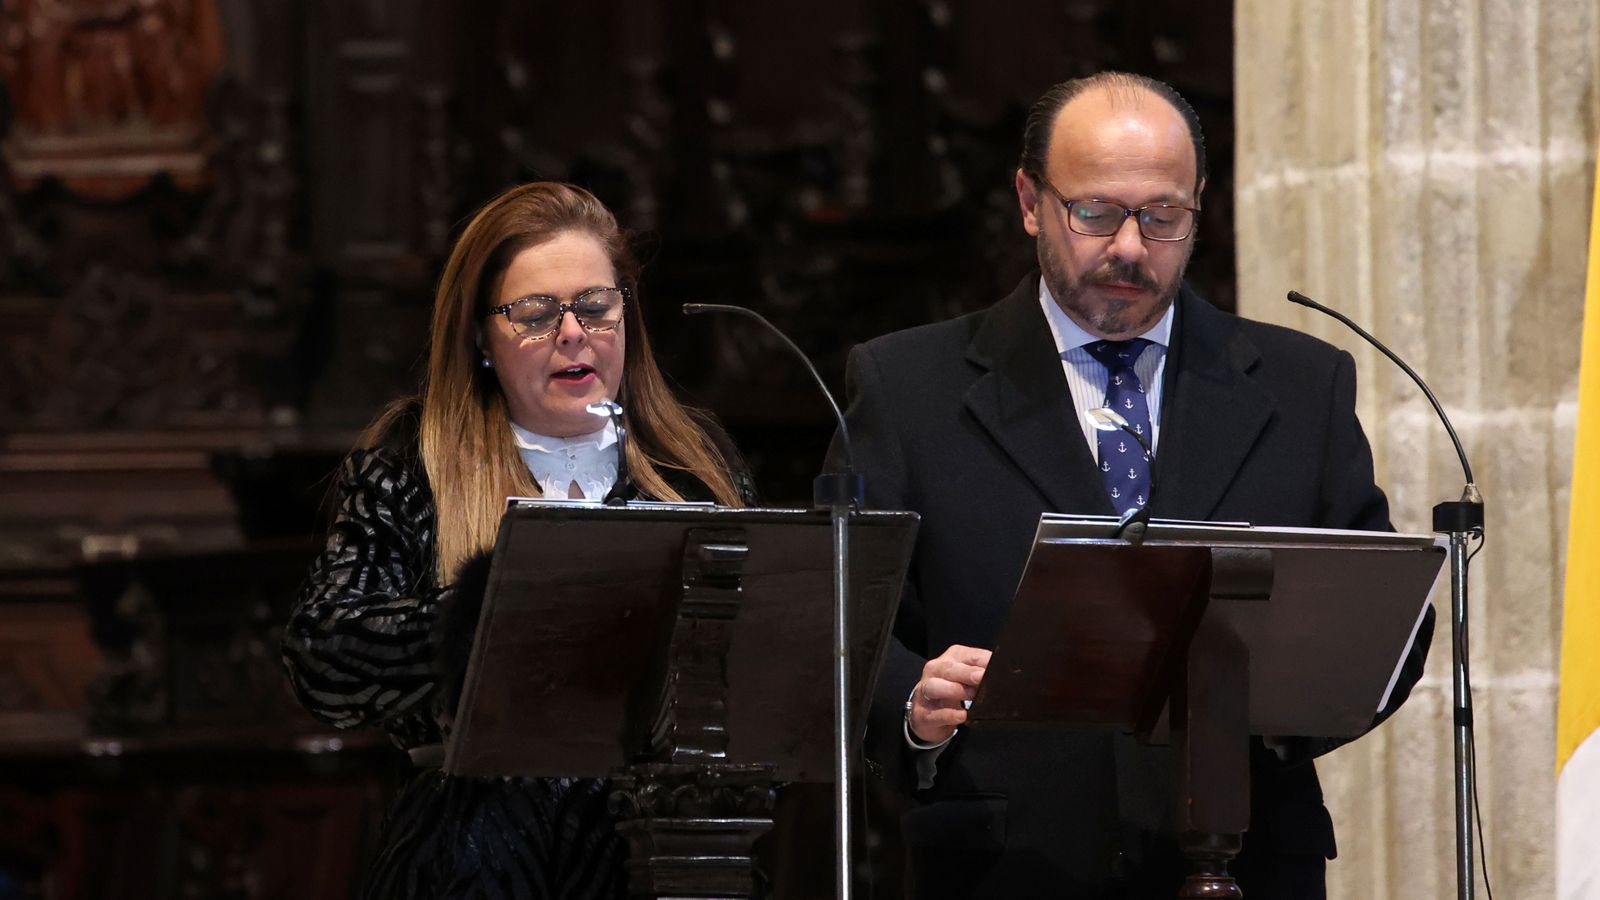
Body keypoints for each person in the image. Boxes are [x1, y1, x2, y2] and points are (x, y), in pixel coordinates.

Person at [837, 72, 1433, 897]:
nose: (1128, 246)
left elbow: (1382, 614)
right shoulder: (909, 387)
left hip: (1248, 859)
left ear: (1199, 208)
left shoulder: (1304, 385)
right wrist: (914, 705)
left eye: (1162, 216)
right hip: (1010, 864)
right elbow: (840, 622)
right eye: (1094, 212)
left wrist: (1287, 713)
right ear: (1030, 201)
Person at [281, 181, 754, 899]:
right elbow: (322, 655)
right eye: (535, 314)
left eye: (595, 306)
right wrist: (475, 620)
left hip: (670, 849)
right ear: (480, 337)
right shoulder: (413, 462)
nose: (573, 333)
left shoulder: (692, 467)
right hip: (477, 850)